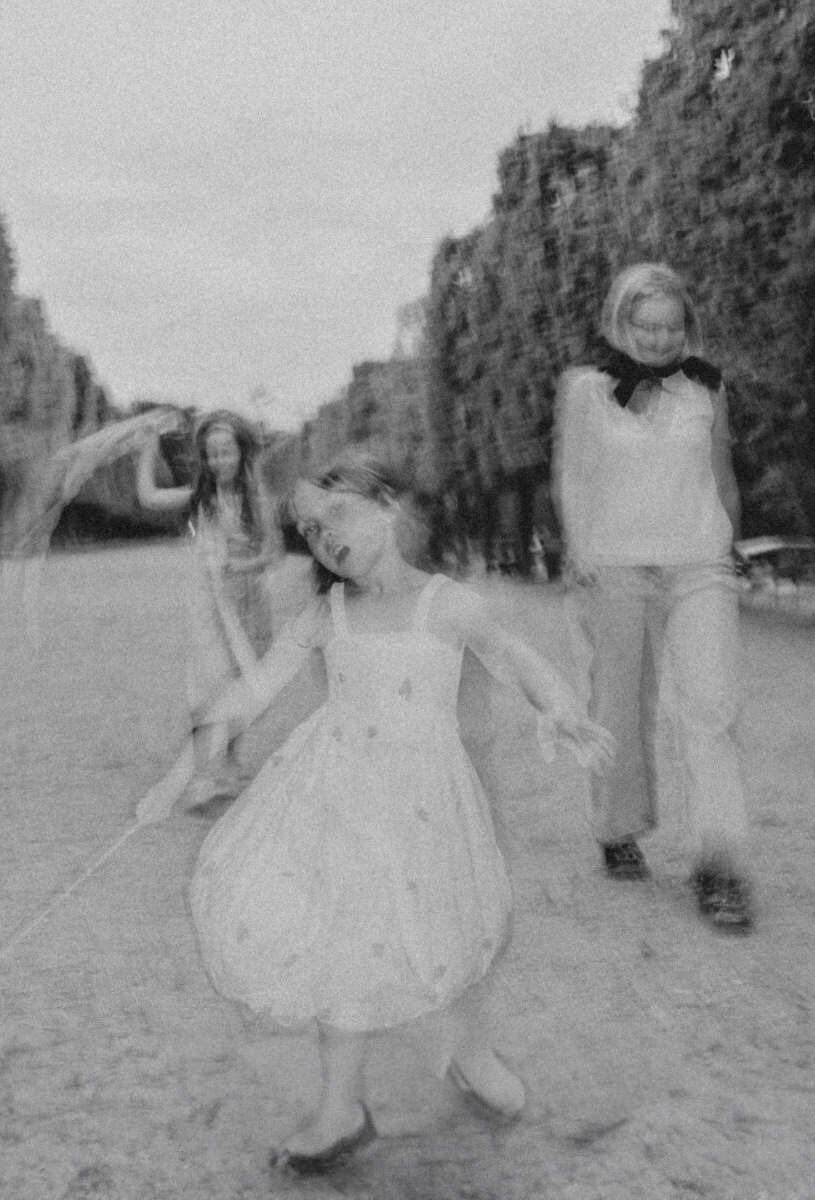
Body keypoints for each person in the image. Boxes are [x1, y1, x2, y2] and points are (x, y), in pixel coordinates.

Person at [166, 453, 611, 1173]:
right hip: (336, 796)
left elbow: (515, 657)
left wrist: (561, 707)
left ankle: (471, 1052)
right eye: (310, 529)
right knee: (342, 935)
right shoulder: (326, 612)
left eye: (336, 514)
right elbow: (259, 684)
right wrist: (202, 741)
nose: (324, 536)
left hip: (427, 801)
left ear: (388, 506)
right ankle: (341, 1105)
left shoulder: (447, 604)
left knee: (452, 923)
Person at [552, 261, 753, 930]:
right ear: (621, 322)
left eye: (673, 327)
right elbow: (575, 478)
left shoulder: (706, 388)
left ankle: (720, 867)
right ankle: (618, 828)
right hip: (616, 566)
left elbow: (722, 475)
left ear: (685, 327)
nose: (661, 339)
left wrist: (731, 546)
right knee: (619, 706)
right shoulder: (584, 391)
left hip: (699, 565)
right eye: (647, 326)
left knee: (711, 712)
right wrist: (579, 549)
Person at [136, 409, 281, 811]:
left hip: (248, 605)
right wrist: (150, 445)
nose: (218, 461)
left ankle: (229, 764)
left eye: (226, 453)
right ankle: (203, 779)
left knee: (240, 688)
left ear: (242, 454)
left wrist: (241, 566)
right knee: (207, 687)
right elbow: (148, 497)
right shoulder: (202, 498)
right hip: (209, 609)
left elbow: (273, 552)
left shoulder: (256, 501)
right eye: (212, 454)